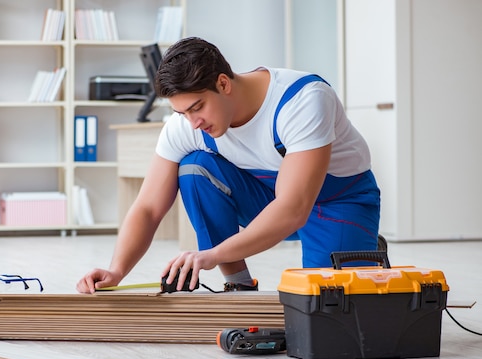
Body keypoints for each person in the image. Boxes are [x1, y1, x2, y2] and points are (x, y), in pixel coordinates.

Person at [76, 37, 380, 294]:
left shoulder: (303, 100)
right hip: (268, 195)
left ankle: (363, 247)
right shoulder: (187, 126)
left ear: (223, 83)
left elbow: (293, 209)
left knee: (330, 310)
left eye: (197, 108)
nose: (193, 123)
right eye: (181, 113)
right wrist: (116, 272)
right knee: (195, 168)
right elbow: (148, 207)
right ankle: (240, 286)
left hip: (337, 202)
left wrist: (210, 255)